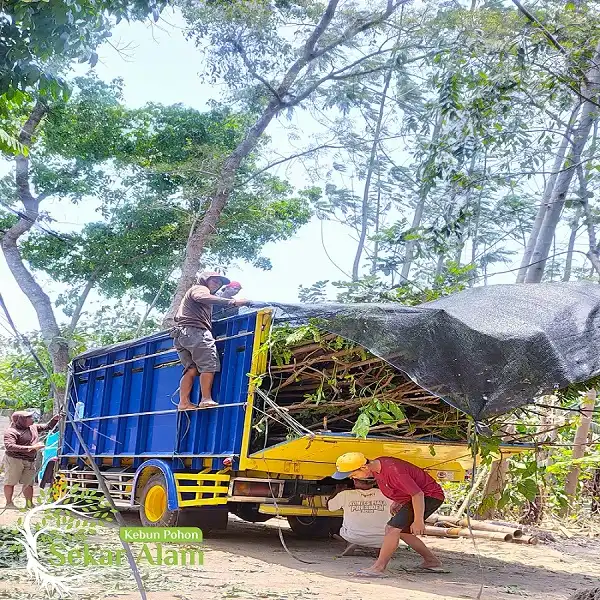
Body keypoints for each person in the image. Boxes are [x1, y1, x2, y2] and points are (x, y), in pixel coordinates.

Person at [332, 452, 445, 577]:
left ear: (364, 467)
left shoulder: (394, 471)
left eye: (353, 474)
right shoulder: (378, 466)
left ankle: (378, 568)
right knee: (402, 531)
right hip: (414, 499)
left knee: (392, 529)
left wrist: (418, 520)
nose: (352, 478)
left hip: (429, 496)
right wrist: (398, 500)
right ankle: (431, 561)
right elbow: (399, 487)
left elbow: (418, 494)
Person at [172, 271, 250, 410]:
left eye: (219, 283)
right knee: (209, 364)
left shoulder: (192, 296)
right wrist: (232, 302)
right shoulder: (200, 289)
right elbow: (201, 296)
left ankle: (184, 403)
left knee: (192, 369)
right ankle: (206, 399)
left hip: (181, 334)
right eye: (214, 281)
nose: (217, 284)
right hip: (196, 332)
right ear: (204, 279)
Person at [3, 410, 62, 509]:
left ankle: (29, 504)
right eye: (28, 417)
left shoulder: (33, 427)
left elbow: (47, 427)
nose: (32, 419)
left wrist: (54, 420)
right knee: (10, 482)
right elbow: (9, 446)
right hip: (14, 460)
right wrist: (31, 448)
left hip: (29, 460)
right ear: (20, 420)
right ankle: (9, 503)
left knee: (28, 483)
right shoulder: (11, 432)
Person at [328, 478, 395, 556]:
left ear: (355, 481)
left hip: (353, 537)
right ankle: (379, 548)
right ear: (374, 482)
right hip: (383, 538)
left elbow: (330, 507)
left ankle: (352, 543)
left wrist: (338, 490)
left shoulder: (345, 494)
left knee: (341, 529)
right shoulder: (386, 494)